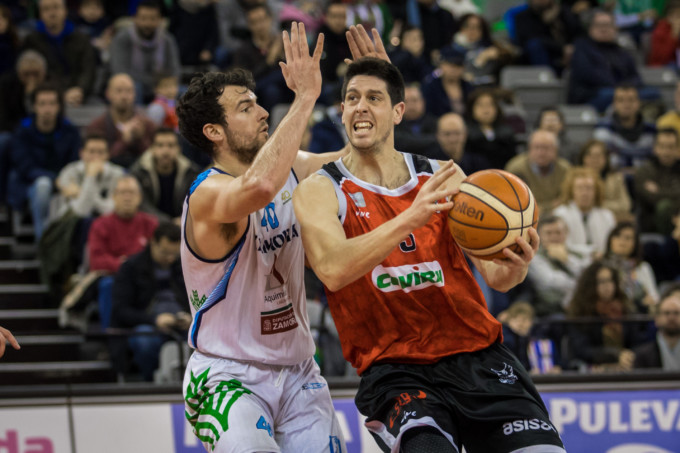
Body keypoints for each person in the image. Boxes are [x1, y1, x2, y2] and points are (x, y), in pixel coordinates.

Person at [293, 56, 565, 453]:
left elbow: (495, 277)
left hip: (478, 356)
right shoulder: (319, 189)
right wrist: (412, 217)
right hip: (397, 370)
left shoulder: (444, 176)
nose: (360, 107)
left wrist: (516, 265)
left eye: (373, 97)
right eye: (352, 98)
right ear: (342, 111)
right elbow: (333, 269)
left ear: (398, 111)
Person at [178, 22, 371, 452]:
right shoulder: (207, 195)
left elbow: (361, 164)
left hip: (300, 372)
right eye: (246, 108)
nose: (264, 111)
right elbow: (260, 188)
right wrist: (304, 98)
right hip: (228, 375)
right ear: (215, 131)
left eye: (258, 103)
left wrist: (375, 99)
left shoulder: (293, 167)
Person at [110, 221, 190, 381]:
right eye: (165, 252)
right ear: (153, 242)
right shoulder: (130, 268)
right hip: (147, 325)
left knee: (205, 338)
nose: (169, 258)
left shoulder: (184, 266)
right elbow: (121, 310)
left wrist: (190, 316)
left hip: (180, 324)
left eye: (174, 254)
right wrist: (154, 320)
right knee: (144, 341)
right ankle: (150, 381)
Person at [7, 82, 81, 240]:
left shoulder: (70, 131)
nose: (47, 109)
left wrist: (65, 182)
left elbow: (75, 163)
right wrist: (56, 181)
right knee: (43, 185)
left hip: (65, 184)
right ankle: (43, 244)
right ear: (34, 107)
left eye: (52, 103)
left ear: (59, 106)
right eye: (42, 104)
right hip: (29, 185)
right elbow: (24, 167)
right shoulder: (22, 131)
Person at [566, 260, 643, 371]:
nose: (607, 286)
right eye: (601, 281)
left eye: (610, 281)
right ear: (591, 285)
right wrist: (615, 355)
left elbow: (638, 341)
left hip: (628, 367)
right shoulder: (580, 313)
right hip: (595, 370)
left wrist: (629, 356)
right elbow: (582, 350)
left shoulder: (626, 309)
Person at [567, 9, 649, 112]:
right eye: (599, 25)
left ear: (615, 28)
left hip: (619, 91)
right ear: (590, 28)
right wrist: (619, 88)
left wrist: (626, 88)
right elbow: (588, 75)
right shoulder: (581, 48)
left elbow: (635, 76)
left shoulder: (621, 51)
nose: (604, 29)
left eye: (608, 25)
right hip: (592, 94)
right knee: (612, 95)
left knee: (652, 93)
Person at [22, 0, 96, 106]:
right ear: (40, 14)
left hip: (77, 94)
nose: (52, 13)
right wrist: (60, 93)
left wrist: (80, 89)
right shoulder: (31, 41)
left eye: (56, 7)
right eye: (46, 9)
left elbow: (88, 68)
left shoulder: (81, 39)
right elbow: (34, 74)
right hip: (45, 95)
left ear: (65, 11)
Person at [109, 0, 181, 103]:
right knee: (133, 88)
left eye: (152, 19)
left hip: (162, 88)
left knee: (185, 92)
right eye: (143, 18)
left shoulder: (167, 40)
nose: (147, 23)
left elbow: (175, 71)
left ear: (160, 20)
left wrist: (166, 86)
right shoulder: (122, 39)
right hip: (134, 88)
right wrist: (153, 84)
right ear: (135, 19)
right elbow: (120, 72)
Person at [130, 128, 200, 223]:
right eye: (160, 145)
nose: (165, 151)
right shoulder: (139, 172)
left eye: (171, 146)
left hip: (183, 225)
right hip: (150, 225)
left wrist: (183, 220)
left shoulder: (191, 172)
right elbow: (142, 206)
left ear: (179, 149)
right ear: (152, 148)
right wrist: (169, 223)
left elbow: (195, 203)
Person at [86, 73, 157, 168]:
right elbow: (97, 159)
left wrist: (140, 138)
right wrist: (124, 141)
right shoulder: (97, 126)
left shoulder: (148, 124)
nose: (124, 96)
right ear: (108, 94)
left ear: (135, 94)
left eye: (129, 91)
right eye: (119, 91)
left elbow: (157, 159)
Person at [528, 214, 591, 318]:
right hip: (552, 309)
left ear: (566, 233)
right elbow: (553, 281)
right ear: (539, 236)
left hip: (582, 307)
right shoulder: (534, 258)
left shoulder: (578, 253)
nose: (554, 237)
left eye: (558, 232)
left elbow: (589, 274)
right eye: (548, 233)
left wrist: (567, 261)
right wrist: (584, 285)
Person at [553, 166, 616, 255]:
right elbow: (562, 247)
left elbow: (611, 245)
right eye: (579, 188)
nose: (584, 193)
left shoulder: (607, 215)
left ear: (596, 191)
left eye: (589, 188)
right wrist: (590, 253)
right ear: (571, 191)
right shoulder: (560, 214)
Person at [504, 129, 571, 213]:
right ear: (529, 149)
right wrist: (550, 206)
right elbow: (515, 204)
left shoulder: (565, 169)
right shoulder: (515, 169)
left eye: (546, 148)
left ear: (555, 150)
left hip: (558, 215)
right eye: (536, 147)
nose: (541, 153)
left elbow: (566, 199)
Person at [593, 84, 656, 171]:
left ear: (639, 103)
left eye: (631, 100)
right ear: (614, 104)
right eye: (621, 100)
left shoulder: (652, 131)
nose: (626, 105)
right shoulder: (603, 130)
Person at [513, 0, 582, 75]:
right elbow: (532, 38)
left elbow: (578, 33)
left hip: (568, 55)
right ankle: (544, 79)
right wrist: (562, 48)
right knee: (534, 45)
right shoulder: (522, 17)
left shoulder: (565, 13)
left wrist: (556, 20)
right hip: (543, 57)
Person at [604, 221, 659, 313]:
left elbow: (654, 297)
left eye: (628, 238)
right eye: (618, 236)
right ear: (610, 240)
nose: (622, 241)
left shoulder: (643, 268)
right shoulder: (602, 267)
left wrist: (650, 300)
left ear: (635, 243)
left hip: (638, 313)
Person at [633, 128, 680, 235]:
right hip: (649, 224)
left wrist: (658, 191)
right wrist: (673, 193)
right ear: (655, 148)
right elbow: (649, 198)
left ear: (678, 149)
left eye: (671, 147)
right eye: (662, 146)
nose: (666, 152)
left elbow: (656, 195)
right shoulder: (644, 170)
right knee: (664, 206)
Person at [577, 139, 632, 221]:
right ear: (583, 158)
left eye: (599, 156)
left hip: (613, 219)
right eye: (591, 156)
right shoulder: (575, 178)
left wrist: (598, 204)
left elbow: (625, 205)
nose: (595, 159)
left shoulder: (616, 178)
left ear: (606, 159)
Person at [464, 87, 517, 170]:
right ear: (471, 108)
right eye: (480, 105)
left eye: (490, 105)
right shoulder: (465, 133)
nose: (486, 110)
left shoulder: (507, 133)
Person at [633, 286, 680, 370]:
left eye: (676, 313)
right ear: (657, 319)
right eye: (667, 313)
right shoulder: (642, 355)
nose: (671, 318)